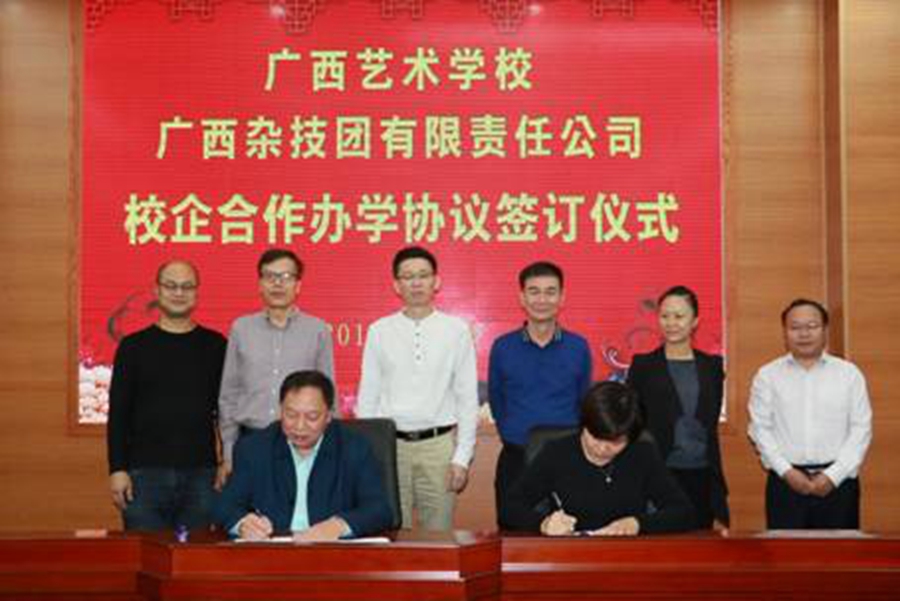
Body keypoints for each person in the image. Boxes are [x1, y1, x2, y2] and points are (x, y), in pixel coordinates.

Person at [356, 246, 479, 531]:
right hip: (390, 446)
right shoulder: (379, 330)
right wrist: (370, 454)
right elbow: (369, 396)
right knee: (390, 531)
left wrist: (462, 457)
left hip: (438, 447)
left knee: (438, 534)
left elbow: (466, 398)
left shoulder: (456, 330)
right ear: (396, 285)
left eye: (423, 275)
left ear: (436, 281)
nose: (416, 283)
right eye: (408, 277)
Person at [107, 260, 227, 531]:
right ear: (157, 290)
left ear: (196, 292)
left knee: (198, 554)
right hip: (143, 476)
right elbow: (119, 414)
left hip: (202, 475)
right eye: (171, 286)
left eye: (187, 286)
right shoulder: (133, 347)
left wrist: (225, 461)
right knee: (146, 553)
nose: (179, 293)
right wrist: (117, 469)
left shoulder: (216, 345)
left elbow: (226, 411)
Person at [213, 370, 392, 540]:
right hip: (275, 551)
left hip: (333, 552)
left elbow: (379, 509)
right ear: (280, 410)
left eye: (312, 417)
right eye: (291, 415)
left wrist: (338, 526)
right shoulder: (254, 448)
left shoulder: (354, 447)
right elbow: (225, 506)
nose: (299, 426)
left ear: (329, 415)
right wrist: (243, 524)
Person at [506, 381, 695, 536]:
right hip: (570, 554)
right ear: (584, 425)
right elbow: (510, 508)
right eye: (596, 437)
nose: (603, 448)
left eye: (615, 443)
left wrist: (637, 524)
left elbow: (683, 511)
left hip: (626, 555)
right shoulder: (556, 453)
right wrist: (544, 524)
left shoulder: (642, 454)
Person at [748, 298, 872, 529]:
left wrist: (833, 475)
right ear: (785, 332)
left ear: (825, 330)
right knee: (785, 551)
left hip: (839, 485)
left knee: (840, 551)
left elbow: (861, 429)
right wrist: (787, 472)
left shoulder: (849, 374)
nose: (803, 334)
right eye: (795, 327)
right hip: (785, 484)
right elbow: (760, 429)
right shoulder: (768, 375)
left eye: (812, 326)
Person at [218, 248, 335, 488]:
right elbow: (229, 394)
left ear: (298, 285)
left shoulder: (317, 330)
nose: (277, 284)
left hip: (301, 442)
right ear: (260, 284)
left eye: (286, 277)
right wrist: (229, 452)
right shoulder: (241, 328)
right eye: (270, 276)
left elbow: (328, 394)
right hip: (250, 439)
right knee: (250, 510)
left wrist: (331, 450)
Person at [488, 261, 592, 528]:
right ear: (522, 298)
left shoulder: (578, 347)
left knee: (570, 534)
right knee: (514, 536)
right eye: (534, 292)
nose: (542, 300)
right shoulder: (503, 347)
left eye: (550, 292)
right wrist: (513, 433)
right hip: (517, 458)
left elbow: (584, 401)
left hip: (568, 460)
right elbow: (497, 401)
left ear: (562, 297)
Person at [626, 285, 729, 530]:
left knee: (701, 543)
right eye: (665, 316)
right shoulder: (643, 365)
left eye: (679, 316)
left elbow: (710, 418)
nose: (671, 323)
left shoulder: (712, 366)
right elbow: (632, 421)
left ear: (695, 321)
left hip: (703, 473)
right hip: (657, 472)